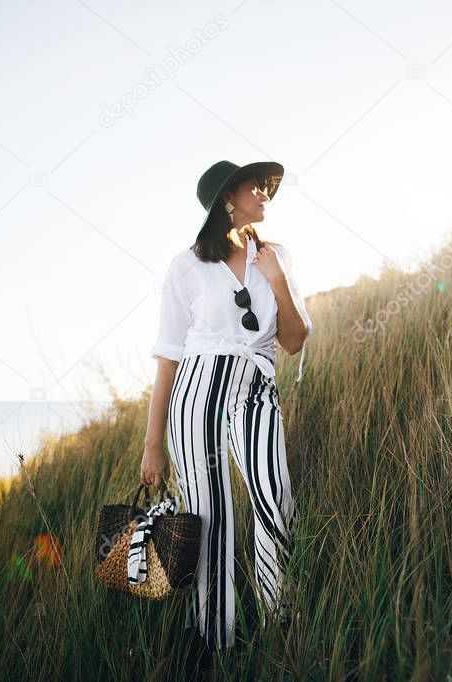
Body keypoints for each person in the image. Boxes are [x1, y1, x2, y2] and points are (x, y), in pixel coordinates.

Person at [140, 159, 312, 650]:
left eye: (266, 187)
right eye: (253, 186)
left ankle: (280, 621)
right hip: (196, 392)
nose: (264, 193)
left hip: (257, 387)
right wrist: (154, 444)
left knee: (274, 495)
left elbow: (295, 341)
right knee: (209, 518)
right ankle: (217, 640)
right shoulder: (187, 264)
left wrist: (276, 279)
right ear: (227, 199)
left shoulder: (277, 254)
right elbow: (169, 357)